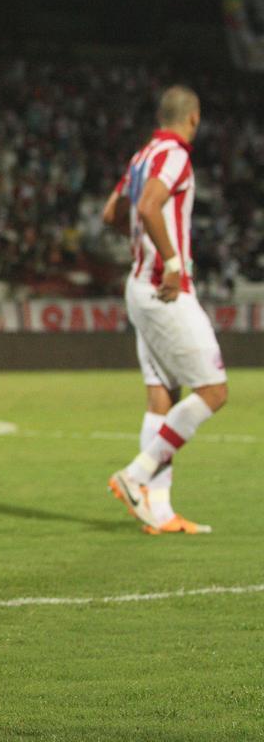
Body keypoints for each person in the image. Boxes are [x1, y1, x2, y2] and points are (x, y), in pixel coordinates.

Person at [102, 85, 226, 534]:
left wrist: (139, 246)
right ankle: (135, 476)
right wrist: (170, 261)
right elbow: (151, 205)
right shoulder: (175, 153)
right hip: (164, 289)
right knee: (214, 391)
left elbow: (111, 213)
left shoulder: (141, 157)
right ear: (192, 118)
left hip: (138, 285)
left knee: (162, 395)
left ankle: (159, 511)